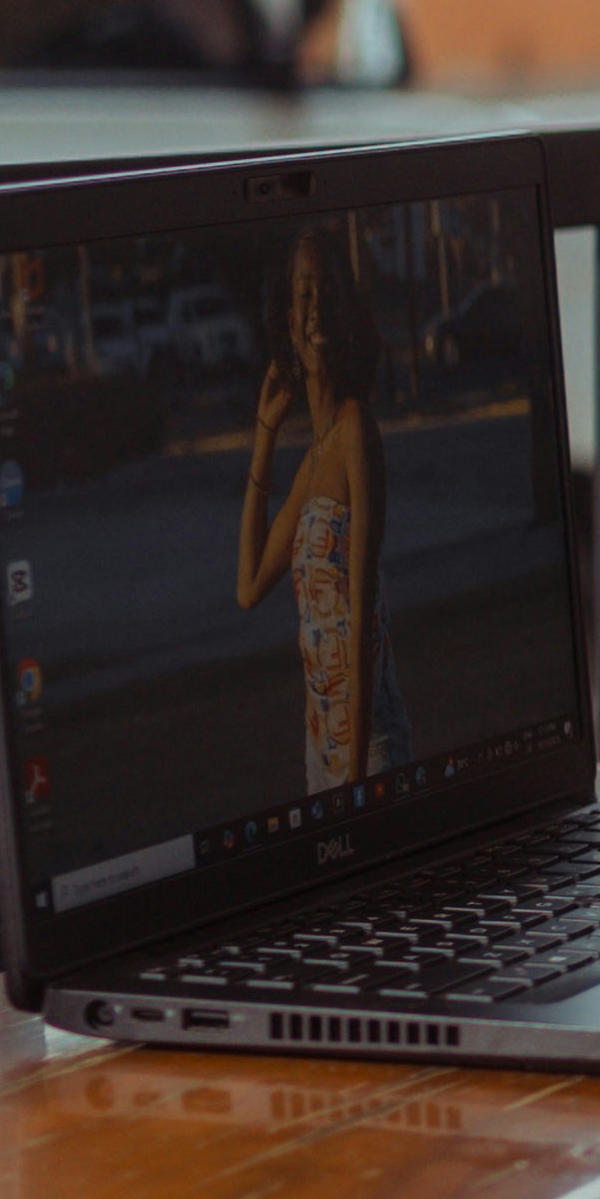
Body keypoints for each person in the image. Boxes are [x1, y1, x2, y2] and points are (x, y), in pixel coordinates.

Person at [232, 219, 399, 795]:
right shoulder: (314, 458)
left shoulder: (356, 431)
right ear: (287, 320)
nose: (316, 309)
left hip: (366, 751)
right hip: (318, 749)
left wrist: (355, 779)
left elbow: (363, 612)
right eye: (304, 294)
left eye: (328, 292)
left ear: (347, 311)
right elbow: (248, 588)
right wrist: (264, 435)